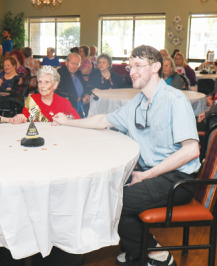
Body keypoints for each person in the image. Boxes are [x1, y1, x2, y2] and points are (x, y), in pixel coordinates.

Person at [53, 45, 200, 266]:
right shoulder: (138, 102)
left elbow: (191, 150)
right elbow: (103, 120)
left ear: (156, 67)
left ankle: (157, 254)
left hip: (178, 179)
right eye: (130, 66)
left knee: (112, 202)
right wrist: (68, 122)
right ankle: (137, 248)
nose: (132, 71)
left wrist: (147, 175)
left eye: (139, 66)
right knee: (104, 192)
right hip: (152, 173)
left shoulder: (175, 100)